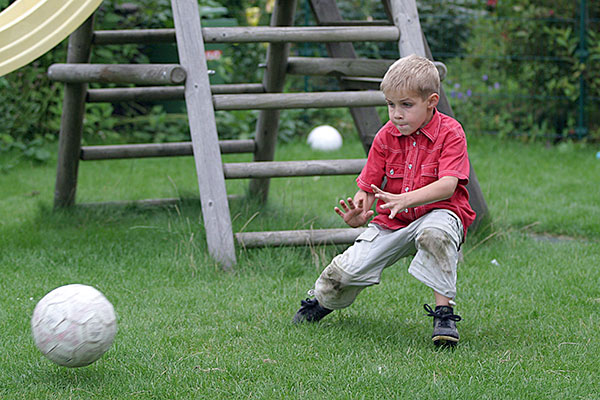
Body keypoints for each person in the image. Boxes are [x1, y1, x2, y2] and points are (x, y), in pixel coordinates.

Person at [292, 54, 476, 346]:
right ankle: (323, 301)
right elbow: (367, 187)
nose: (396, 114)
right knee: (345, 273)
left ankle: (443, 315)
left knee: (435, 235)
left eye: (406, 105)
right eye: (391, 104)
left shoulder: (451, 132)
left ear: (431, 101)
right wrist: (359, 211)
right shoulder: (385, 137)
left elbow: (448, 185)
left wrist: (406, 198)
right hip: (392, 222)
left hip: (440, 213)